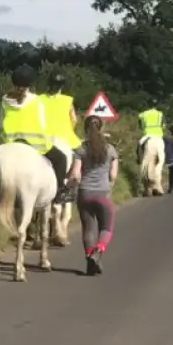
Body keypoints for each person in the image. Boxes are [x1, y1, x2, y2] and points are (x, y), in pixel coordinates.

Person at [2, 65, 69, 196]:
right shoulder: (36, 101)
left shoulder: (4, 100)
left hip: (9, 143)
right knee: (61, 158)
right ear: (31, 84)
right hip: (35, 144)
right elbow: (43, 124)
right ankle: (60, 192)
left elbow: (0, 120)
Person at [70, 116, 120, 276]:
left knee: (88, 228)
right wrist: (108, 186)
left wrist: (69, 185)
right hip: (102, 194)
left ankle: (89, 259)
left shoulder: (81, 149)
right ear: (101, 128)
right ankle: (98, 251)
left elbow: (75, 174)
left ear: (85, 129)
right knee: (106, 227)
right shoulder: (110, 149)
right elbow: (113, 175)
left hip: (84, 193)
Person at [43, 72, 84, 158]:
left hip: (44, 138)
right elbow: (74, 120)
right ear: (62, 86)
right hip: (66, 137)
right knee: (83, 155)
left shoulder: (39, 99)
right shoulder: (67, 100)